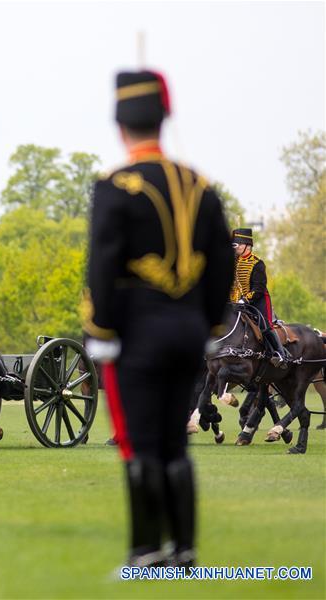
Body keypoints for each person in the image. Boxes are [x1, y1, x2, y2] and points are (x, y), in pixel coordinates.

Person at [83, 70, 234, 567]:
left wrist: (102, 330)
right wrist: (209, 326)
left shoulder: (114, 186)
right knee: (175, 444)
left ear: (120, 126)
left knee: (142, 442)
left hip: (138, 333)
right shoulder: (199, 185)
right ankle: (185, 548)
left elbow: (103, 265)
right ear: (164, 118)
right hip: (189, 332)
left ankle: (146, 549)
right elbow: (222, 263)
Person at [230, 228, 288, 366]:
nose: (235, 248)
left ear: (247, 246)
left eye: (237, 244)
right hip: (236, 301)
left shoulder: (257, 263)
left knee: (264, 324)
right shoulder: (232, 262)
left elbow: (259, 288)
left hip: (257, 300)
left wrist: (245, 300)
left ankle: (279, 354)